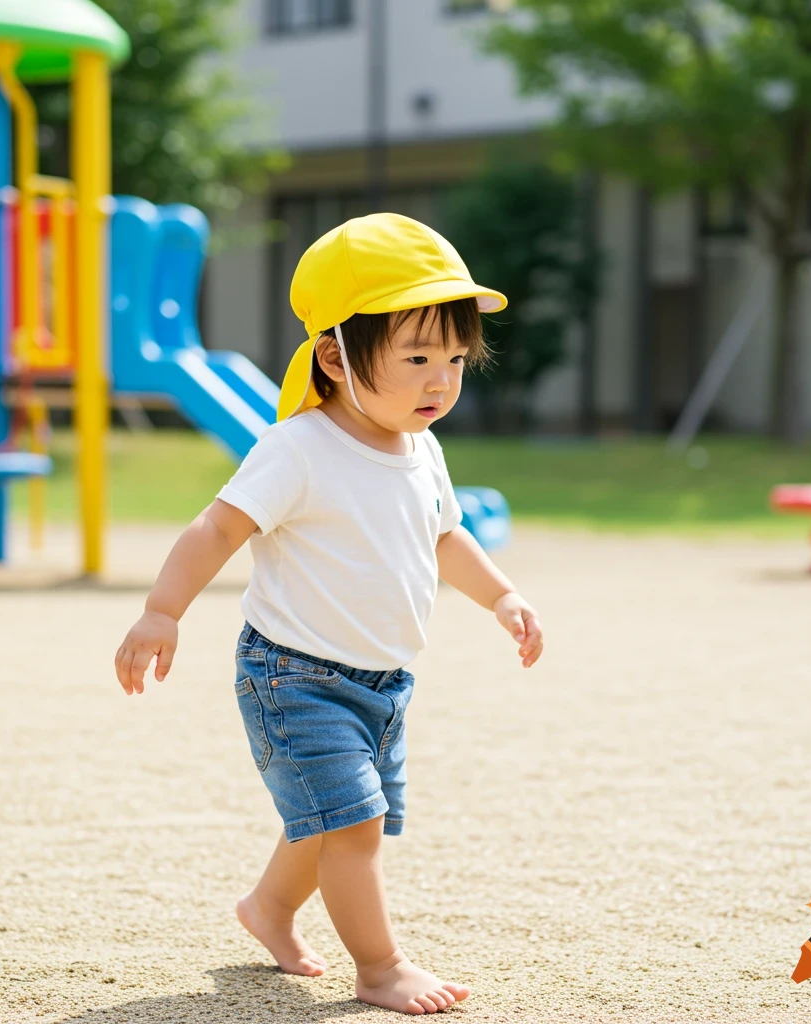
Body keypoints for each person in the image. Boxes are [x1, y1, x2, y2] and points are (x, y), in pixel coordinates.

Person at [114, 213, 544, 1015]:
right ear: (336, 357)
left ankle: (268, 910)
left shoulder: (424, 450)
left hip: (384, 683)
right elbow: (218, 526)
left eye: (453, 359)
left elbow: (447, 537)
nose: (439, 381)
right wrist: (161, 611)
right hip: (295, 676)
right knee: (355, 827)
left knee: (328, 818)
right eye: (415, 358)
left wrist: (503, 596)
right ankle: (379, 968)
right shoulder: (299, 448)